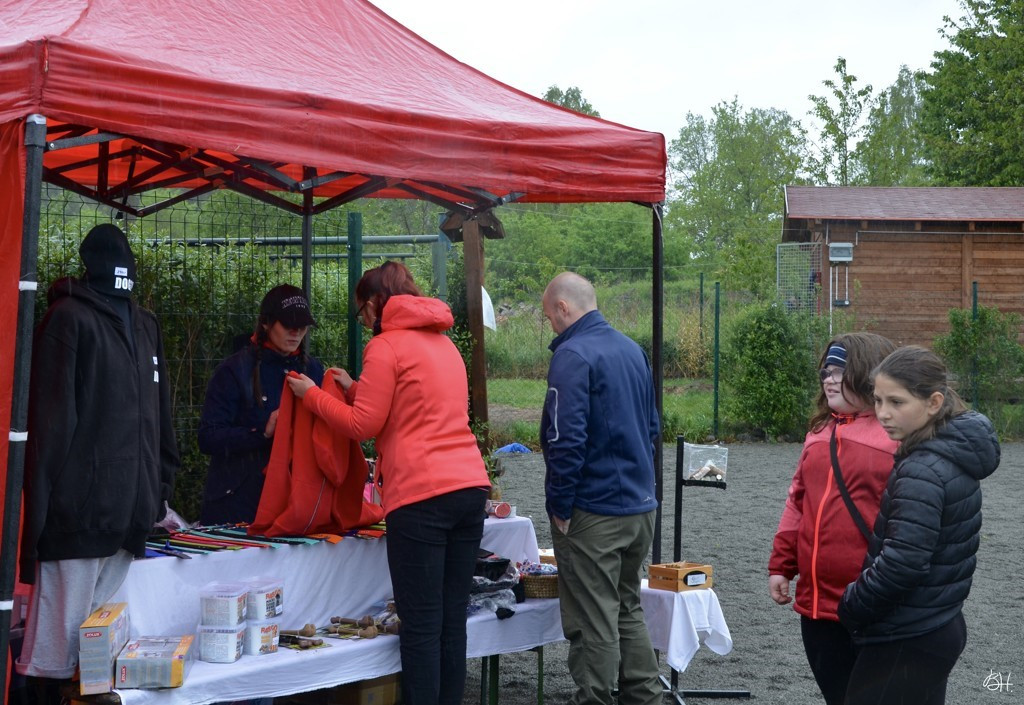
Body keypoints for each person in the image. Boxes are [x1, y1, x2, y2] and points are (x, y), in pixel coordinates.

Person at [285, 261, 489, 705]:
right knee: (451, 621)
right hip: (470, 487)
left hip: (420, 496)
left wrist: (312, 396)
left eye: (362, 310)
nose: (363, 320)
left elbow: (363, 426)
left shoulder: (386, 345)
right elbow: (410, 407)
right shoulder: (444, 343)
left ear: (377, 302)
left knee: (421, 625)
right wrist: (355, 388)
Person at [17, 224, 179, 701]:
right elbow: (48, 427)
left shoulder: (145, 324)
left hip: (128, 517)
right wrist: (37, 526)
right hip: (76, 521)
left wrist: (157, 491)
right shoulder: (67, 320)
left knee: (96, 655)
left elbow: (160, 415)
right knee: (55, 656)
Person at [838, 345, 1000, 705]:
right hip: (938, 622)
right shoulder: (948, 451)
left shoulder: (923, 469)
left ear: (933, 402)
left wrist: (852, 604)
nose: (882, 413)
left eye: (896, 402)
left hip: (908, 636)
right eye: (878, 400)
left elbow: (903, 563)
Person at [539, 271, 662, 705]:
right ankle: (645, 697)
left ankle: (595, 698)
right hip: (639, 507)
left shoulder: (572, 354)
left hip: (595, 511)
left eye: (549, 316)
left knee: (593, 618)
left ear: (563, 307)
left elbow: (564, 438)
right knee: (627, 606)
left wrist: (560, 504)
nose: (551, 326)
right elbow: (652, 428)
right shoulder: (632, 349)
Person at [767, 332, 897, 705]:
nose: (829, 379)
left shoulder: (898, 439)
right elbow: (797, 502)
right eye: (827, 370)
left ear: (870, 375)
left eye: (840, 371)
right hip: (817, 605)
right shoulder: (819, 432)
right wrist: (781, 565)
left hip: (873, 604)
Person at [198, 284, 324, 525]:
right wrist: (262, 433)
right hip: (238, 506)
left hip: (295, 503)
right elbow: (208, 437)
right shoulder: (233, 370)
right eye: (288, 324)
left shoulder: (313, 369)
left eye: (303, 325)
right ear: (266, 323)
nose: (296, 332)